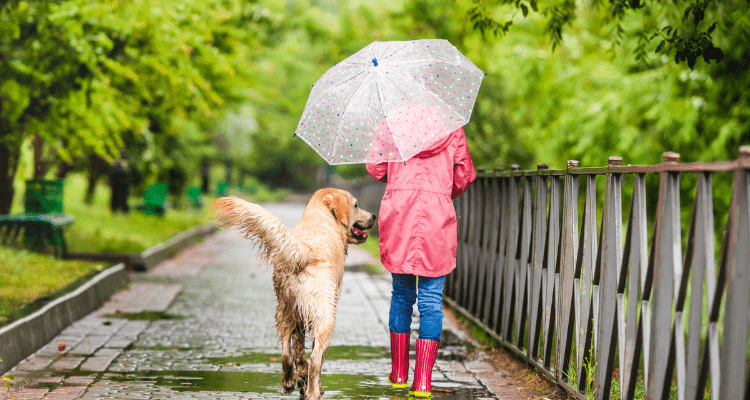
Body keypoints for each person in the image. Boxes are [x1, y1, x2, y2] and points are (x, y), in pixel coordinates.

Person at [366, 126, 476, 398]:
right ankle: (424, 381)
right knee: (431, 300)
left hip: (399, 211)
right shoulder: (452, 127)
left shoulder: (392, 123)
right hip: (436, 214)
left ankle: (400, 374)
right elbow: (463, 177)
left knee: (401, 295)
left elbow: (376, 168)